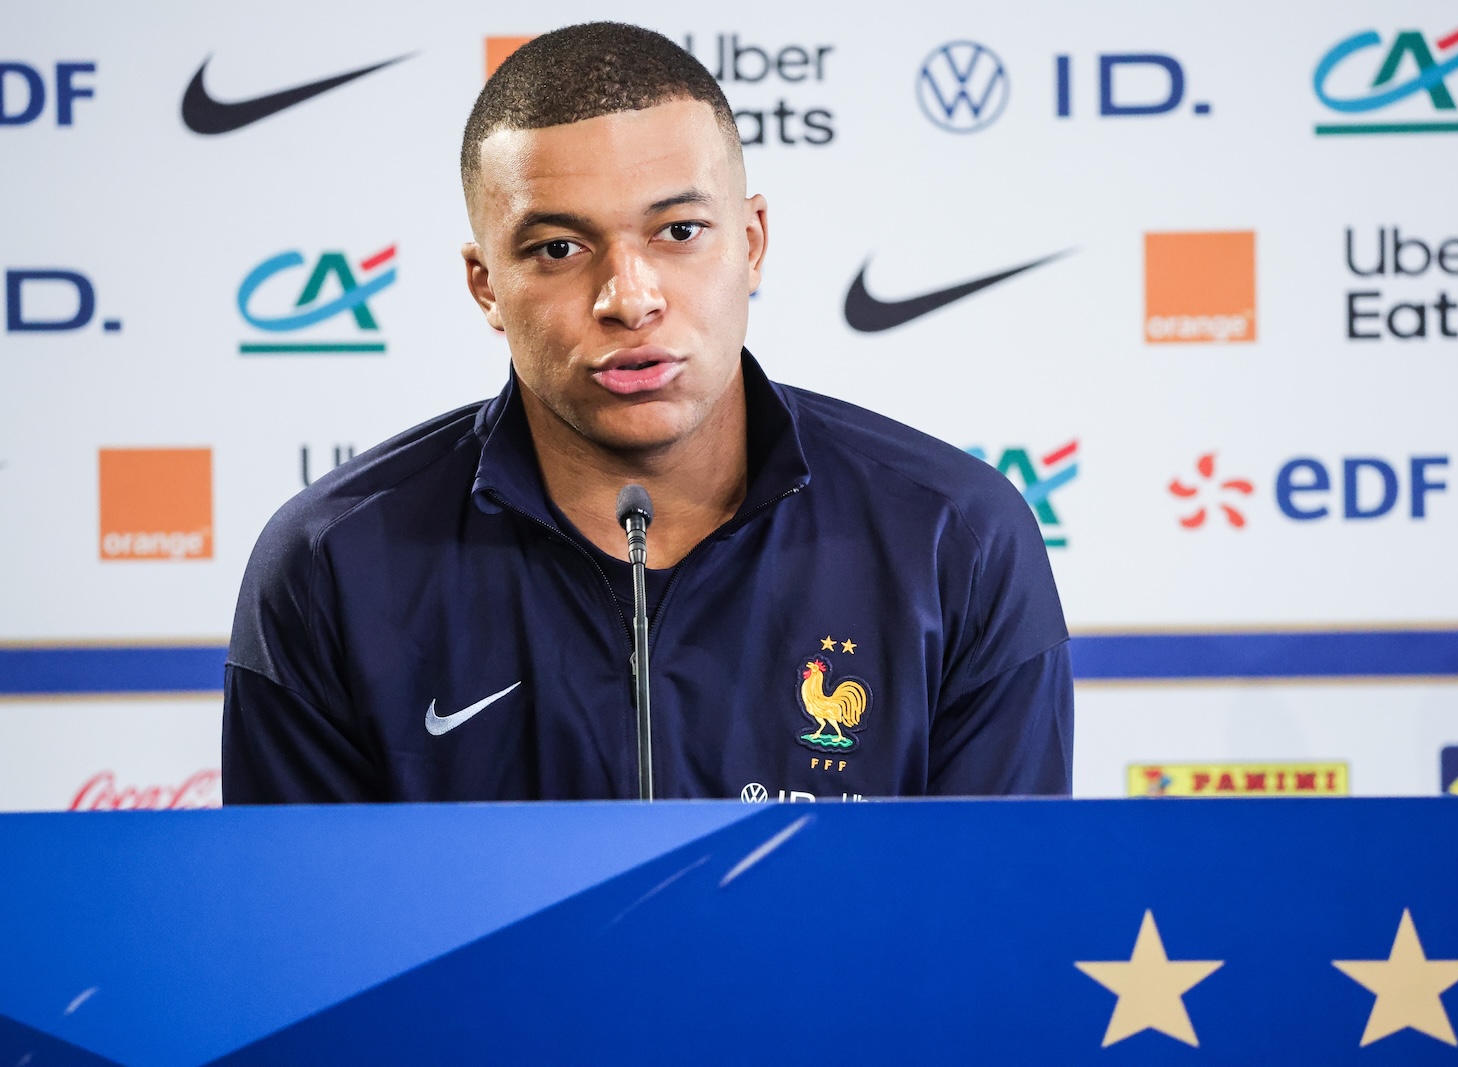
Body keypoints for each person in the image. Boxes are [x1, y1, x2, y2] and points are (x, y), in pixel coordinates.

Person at [222, 22, 1073, 803]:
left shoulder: (955, 538)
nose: (629, 300)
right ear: (486, 284)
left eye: (678, 233)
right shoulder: (330, 567)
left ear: (753, 242)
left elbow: (991, 923)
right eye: (560, 249)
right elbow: (316, 946)